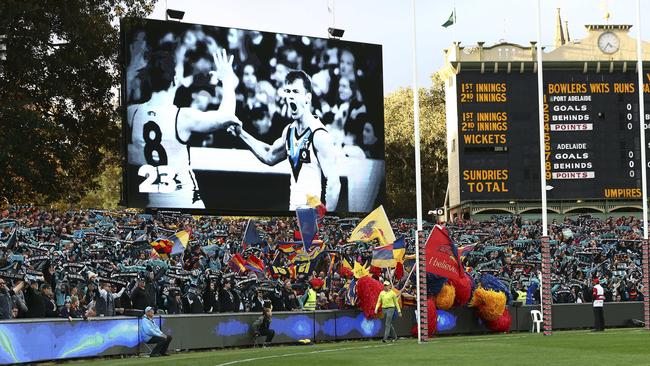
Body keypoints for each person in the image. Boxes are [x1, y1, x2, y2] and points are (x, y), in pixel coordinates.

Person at [127, 48, 241, 208]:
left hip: (153, 205)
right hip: (186, 202)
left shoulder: (132, 113)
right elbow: (228, 115)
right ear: (174, 80)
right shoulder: (182, 117)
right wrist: (228, 80)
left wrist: (131, 71)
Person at [231, 70, 341, 211]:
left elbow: (334, 184)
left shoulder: (319, 134)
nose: (290, 96)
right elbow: (269, 156)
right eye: (288, 91)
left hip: (311, 214)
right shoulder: (289, 131)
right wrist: (241, 134)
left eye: (295, 91)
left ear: (307, 97)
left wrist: (326, 221)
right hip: (293, 212)